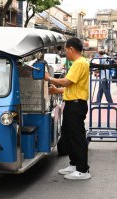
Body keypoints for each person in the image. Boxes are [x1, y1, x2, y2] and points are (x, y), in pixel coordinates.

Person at [45, 37, 91, 180]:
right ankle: (74, 164)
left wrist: (49, 79)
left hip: (76, 105)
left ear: (71, 49)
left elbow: (66, 82)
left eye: (66, 49)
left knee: (77, 136)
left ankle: (83, 170)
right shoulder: (77, 63)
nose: (65, 52)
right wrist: (56, 90)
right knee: (68, 134)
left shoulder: (79, 63)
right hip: (72, 103)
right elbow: (71, 87)